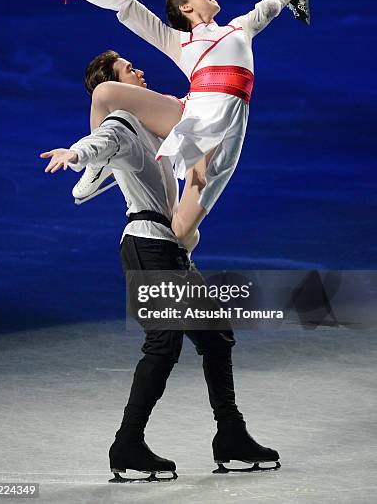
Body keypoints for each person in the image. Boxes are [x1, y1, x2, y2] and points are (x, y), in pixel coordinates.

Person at [39, 54, 280, 482]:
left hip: (168, 250)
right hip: (147, 247)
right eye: (129, 70)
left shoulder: (155, 132)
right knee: (164, 344)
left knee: (216, 336)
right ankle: (128, 443)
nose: (139, 73)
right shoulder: (123, 124)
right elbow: (99, 143)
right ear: (114, 84)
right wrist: (75, 154)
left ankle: (231, 435)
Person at [51, 0, 305, 253]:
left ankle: (179, 280)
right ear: (185, 7)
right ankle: (97, 164)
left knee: (182, 233)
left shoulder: (240, 28)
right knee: (105, 93)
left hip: (225, 137)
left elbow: (271, 4)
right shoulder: (178, 42)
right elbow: (128, 7)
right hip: (189, 116)